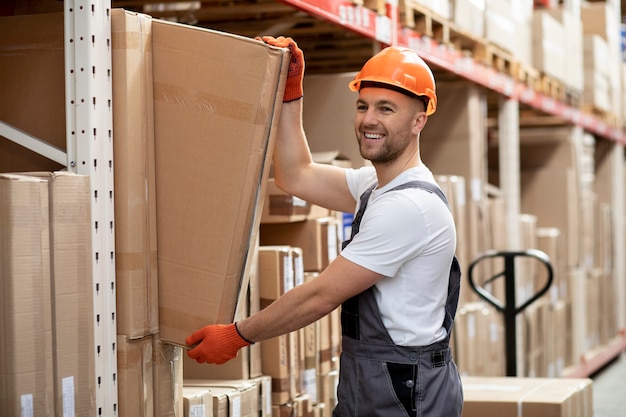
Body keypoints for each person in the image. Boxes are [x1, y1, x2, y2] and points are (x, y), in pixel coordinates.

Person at [186, 37, 464, 416]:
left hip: (404, 393)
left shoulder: (409, 207)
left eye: (387, 109)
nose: (369, 119)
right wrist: (290, 94)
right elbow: (296, 175)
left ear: (419, 121)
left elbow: (321, 295)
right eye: (363, 106)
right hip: (378, 379)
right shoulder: (377, 186)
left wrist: (237, 336)